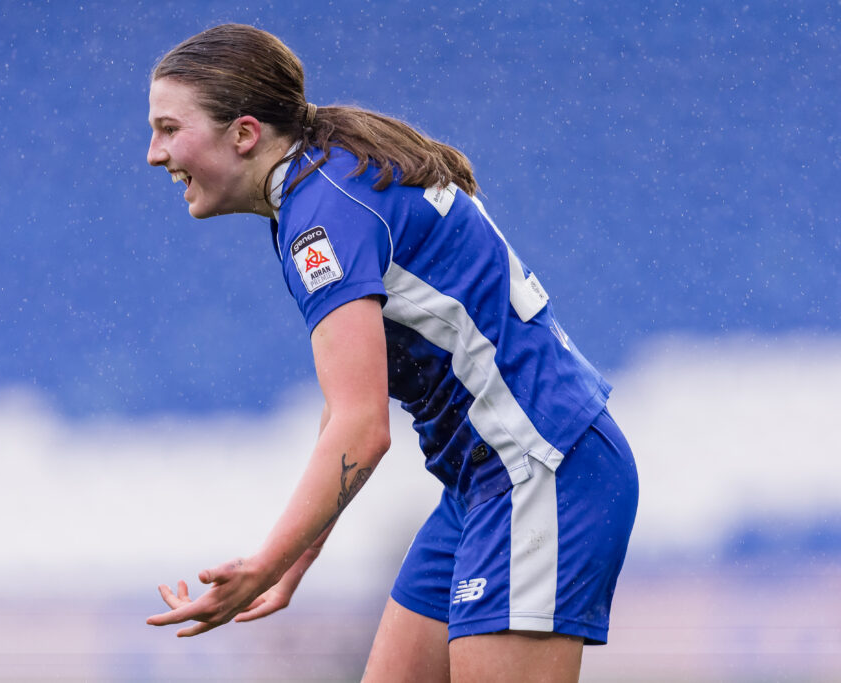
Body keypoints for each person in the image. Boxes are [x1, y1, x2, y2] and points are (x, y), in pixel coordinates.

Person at [144, 23, 638, 683]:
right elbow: (348, 403)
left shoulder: (320, 219)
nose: (154, 152)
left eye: (169, 128)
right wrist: (296, 556)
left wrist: (265, 560)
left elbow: (363, 429)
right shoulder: (321, 177)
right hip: (484, 483)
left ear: (244, 133)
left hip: (541, 470)